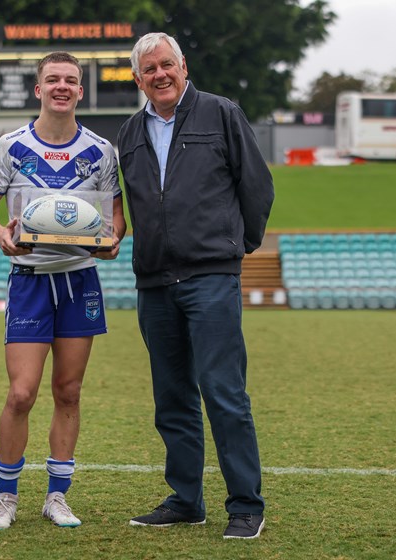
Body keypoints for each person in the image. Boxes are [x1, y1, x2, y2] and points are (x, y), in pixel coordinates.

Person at [117, 33, 274, 539]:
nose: (160, 75)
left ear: (183, 65)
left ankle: (245, 504)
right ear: (138, 79)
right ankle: (186, 500)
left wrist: (234, 245)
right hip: (154, 282)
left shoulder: (221, 113)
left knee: (223, 393)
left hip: (210, 276)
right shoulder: (129, 132)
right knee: (172, 398)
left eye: (167, 65)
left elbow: (256, 185)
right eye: (149, 70)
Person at [0, 51, 126, 530]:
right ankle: (6, 497)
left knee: (69, 390)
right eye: (53, 79)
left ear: (81, 91)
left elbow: (116, 218)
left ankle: (57, 495)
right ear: (39, 89)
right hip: (30, 281)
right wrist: (2, 235)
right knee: (21, 394)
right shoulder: (11, 146)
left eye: (71, 80)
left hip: (80, 279)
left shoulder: (102, 151)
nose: (62, 86)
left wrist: (112, 241)